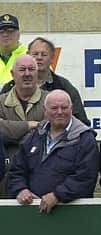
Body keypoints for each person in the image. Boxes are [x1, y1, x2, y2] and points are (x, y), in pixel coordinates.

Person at [8, 90, 98, 213]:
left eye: (64, 107)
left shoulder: (85, 139)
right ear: (45, 111)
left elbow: (86, 177)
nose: (60, 112)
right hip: (32, 213)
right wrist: (20, 189)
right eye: (54, 108)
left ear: (71, 109)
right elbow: (16, 170)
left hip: (73, 214)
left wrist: (57, 195)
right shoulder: (34, 136)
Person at [1, 37, 89, 126]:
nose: (39, 58)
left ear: (52, 58)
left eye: (44, 54)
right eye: (35, 54)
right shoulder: (10, 87)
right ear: (27, 55)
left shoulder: (63, 87)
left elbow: (81, 123)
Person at [0, 54, 47, 196]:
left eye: (31, 69)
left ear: (37, 73)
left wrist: (10, 131)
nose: (27, 74)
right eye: (22, 69)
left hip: (42, 181)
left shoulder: (50, 101)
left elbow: (50, 132)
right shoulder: (1, 102)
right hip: (5, 183)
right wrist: (29, 126)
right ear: (12, 74)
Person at [0, 14, 26, 84]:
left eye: (10, 31)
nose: (5, 35)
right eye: (1, 32)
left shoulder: (30, 55)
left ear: (18, 35)